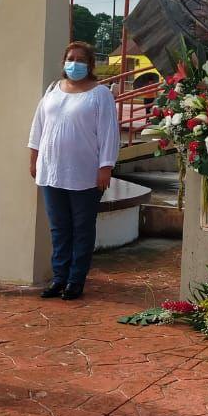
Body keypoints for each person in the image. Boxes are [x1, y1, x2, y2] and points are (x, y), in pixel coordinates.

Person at [28, 41, 120, 301]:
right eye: (71, 58)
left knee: (82, 228)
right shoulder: (52, 90)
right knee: (59, 228)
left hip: (85, 174)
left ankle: (75, 280)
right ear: (64, 62)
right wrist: (33, 159)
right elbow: (38, 128)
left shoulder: (100, 94)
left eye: (81, 59)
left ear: (90, 65)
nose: (75, 63)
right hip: (51, 171)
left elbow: (109, 133)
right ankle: (59, 277)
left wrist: (106, 167)